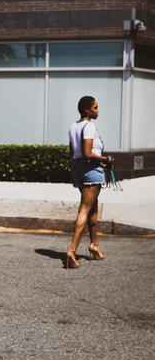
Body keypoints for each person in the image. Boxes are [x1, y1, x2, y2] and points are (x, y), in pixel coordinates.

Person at [66, 96, 114, 269]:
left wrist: (98, 161)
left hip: (78, 169)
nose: (98, 110)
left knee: (93, 206)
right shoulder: (89, 125)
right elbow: (87, 153)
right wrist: (106, 159)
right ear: (87, 109)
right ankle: (71, 251)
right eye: (95, 107)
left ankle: (94, 245)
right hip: (90, 169)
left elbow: (74, 153)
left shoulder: (73, 126)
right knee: (85, 209)